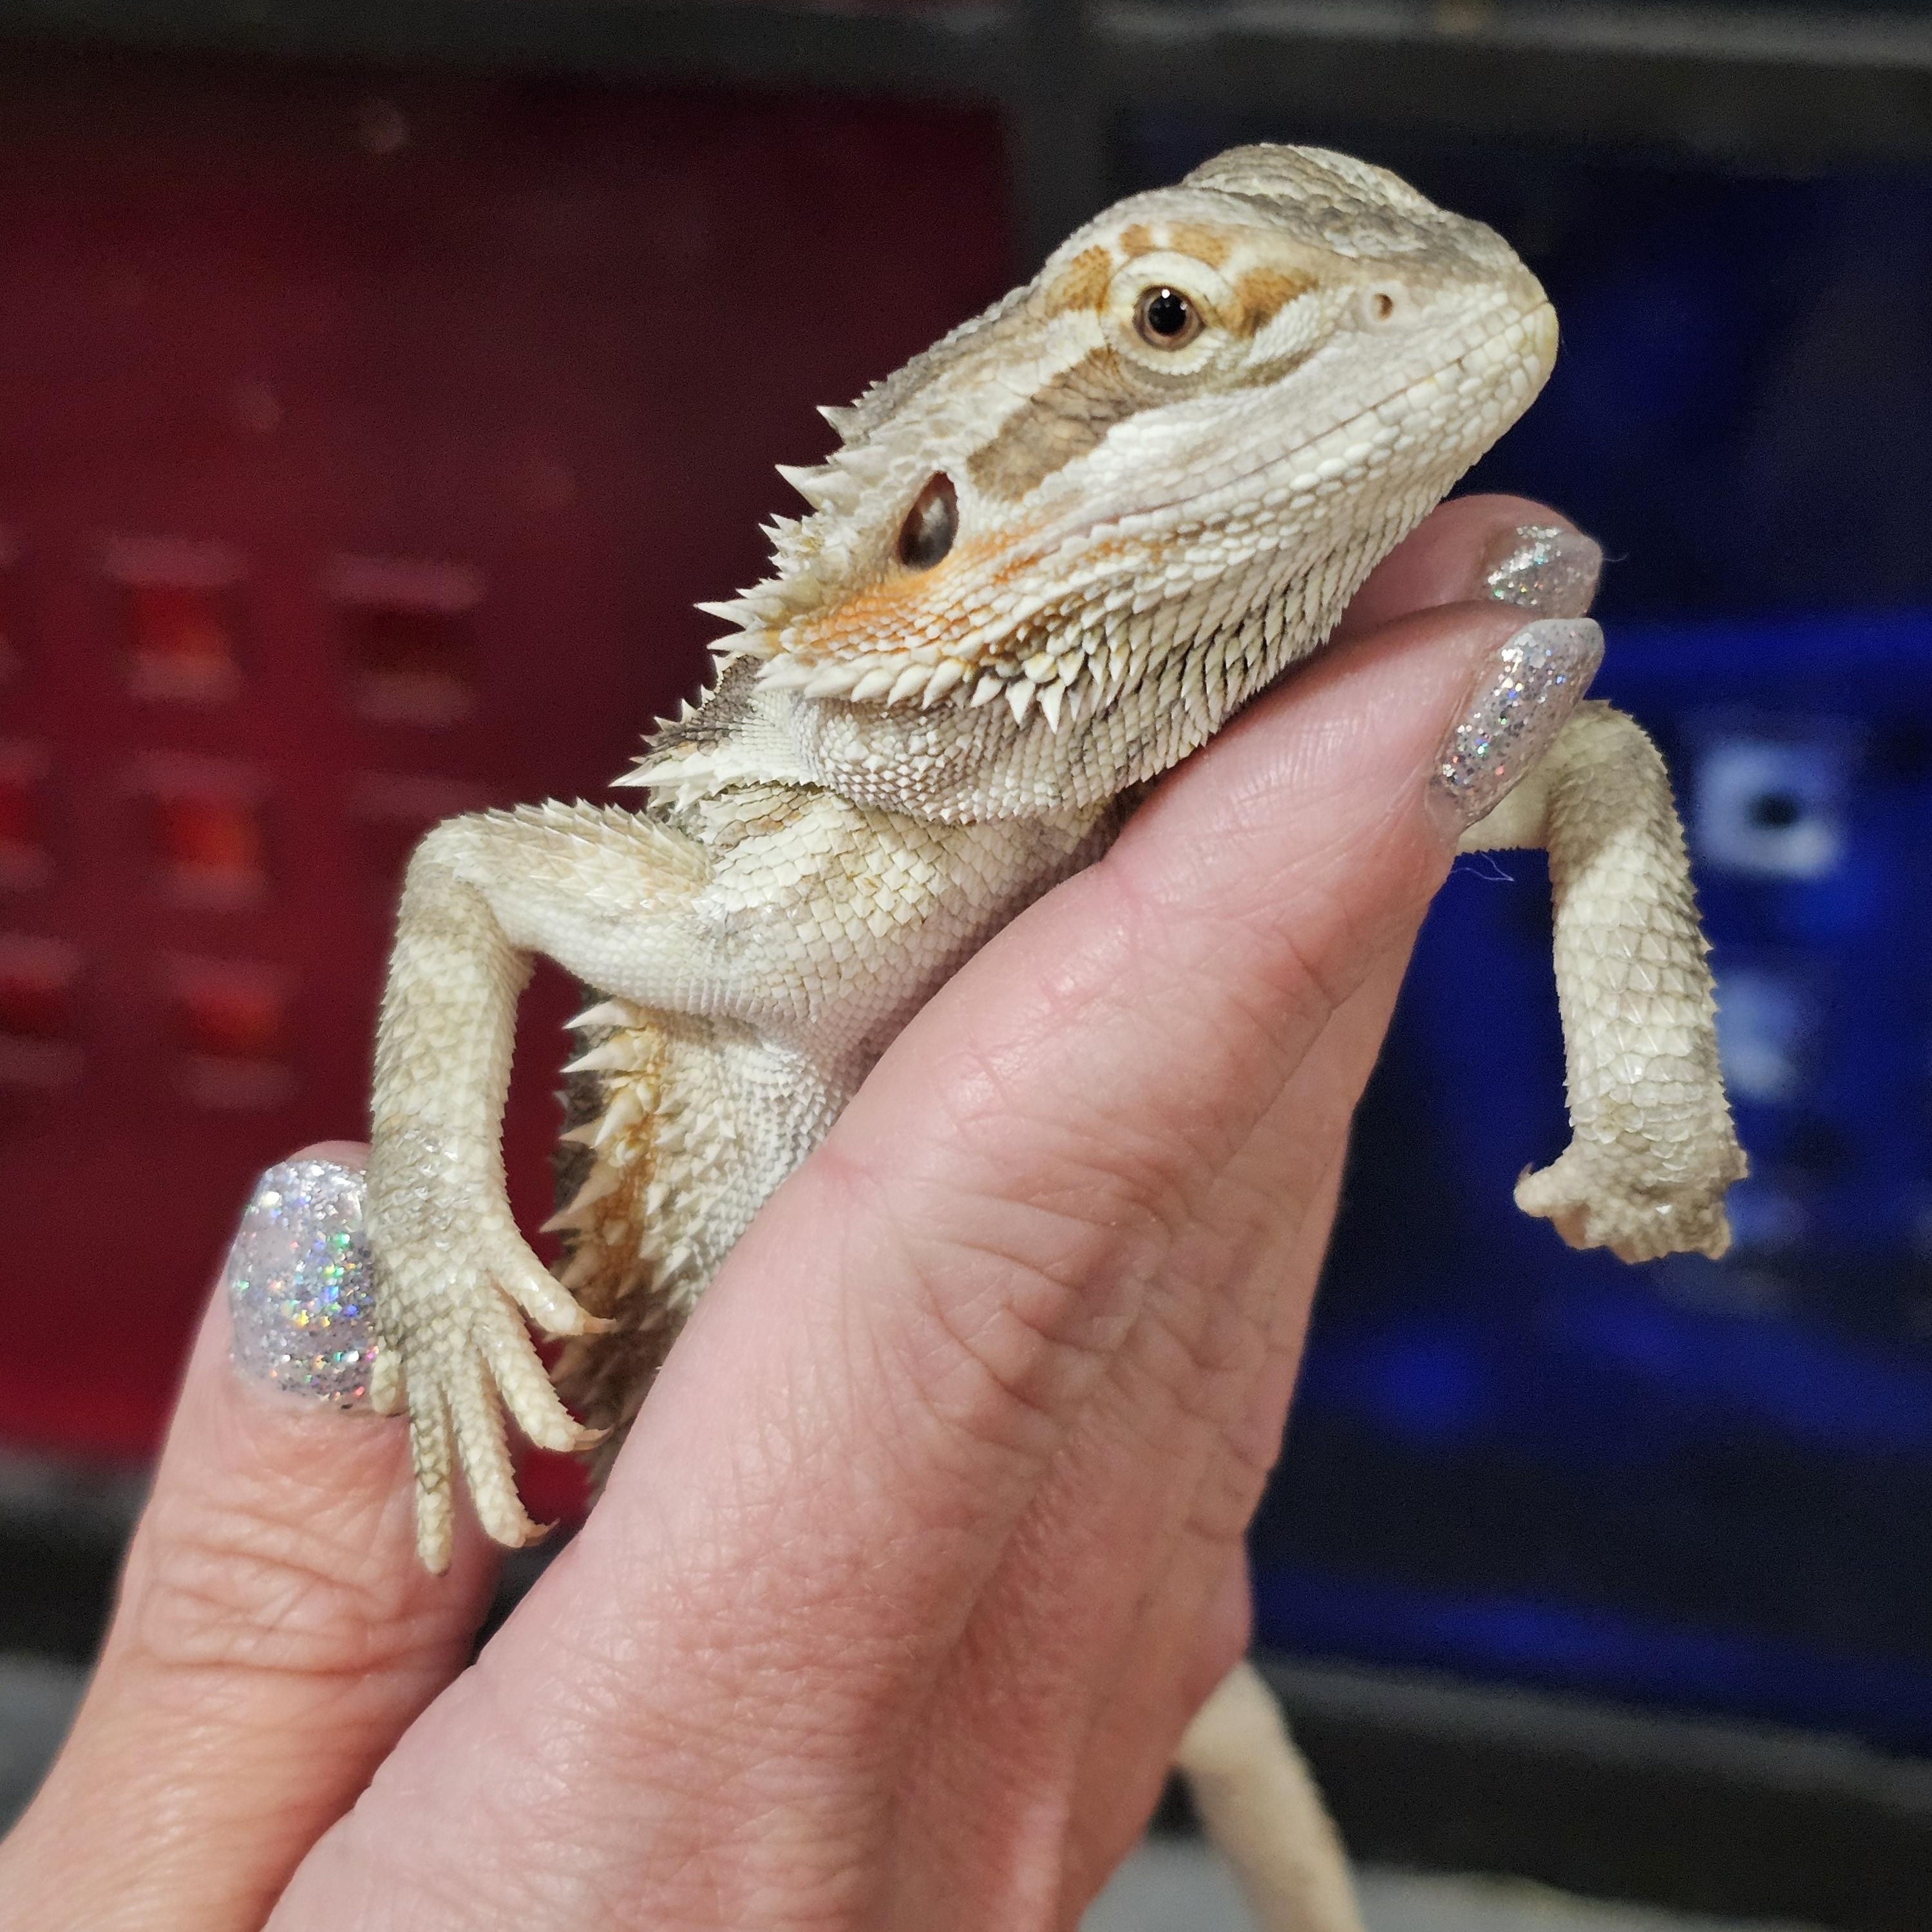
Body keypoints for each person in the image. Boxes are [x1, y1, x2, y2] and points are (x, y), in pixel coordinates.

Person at [0, 495, 1600, 1931]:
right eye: (1173, 326)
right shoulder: (776, 888)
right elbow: (477, 872)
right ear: (934, 516)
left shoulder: (1073, 770)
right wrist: (429, 1214)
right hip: (685, 1562)